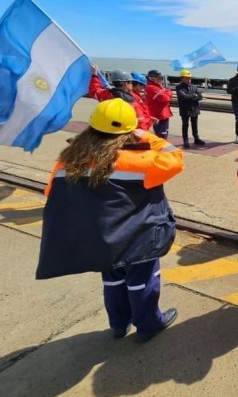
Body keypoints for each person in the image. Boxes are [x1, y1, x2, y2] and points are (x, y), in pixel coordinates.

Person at [36, 99, 184, 342]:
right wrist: (146, 135)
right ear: (128, 131)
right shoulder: (139, 162)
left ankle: (118, 324)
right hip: (137, 235)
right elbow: (175, 158)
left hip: (99, 236)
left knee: (112, 279)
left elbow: (51, 192)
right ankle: (148, 325)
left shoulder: (68, 160)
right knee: (143, 279)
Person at [175, 69, 205, 149]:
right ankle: (185, 140)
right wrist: (194, 96)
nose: (189, 80)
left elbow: (200, 96)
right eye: (187, 78)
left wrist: (192, 96)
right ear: (182, 78)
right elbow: (184, 97)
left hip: (194, 109)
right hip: (185, 109)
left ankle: (196, 138)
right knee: (185, 125)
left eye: (190, 78)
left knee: (194, 125)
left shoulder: (194, 87)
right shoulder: (179, 87)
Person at [145, 70, 173, 138]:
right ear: (151, 78)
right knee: (161, 136)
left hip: (164, 114)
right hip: (158, 115)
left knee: (164, 134)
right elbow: (165, 99)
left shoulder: (158, 86)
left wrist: (167, 92)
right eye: (158, 78)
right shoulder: (150, 87)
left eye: (160, 78)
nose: (160, 79)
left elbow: (167, 94)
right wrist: (168, 92)